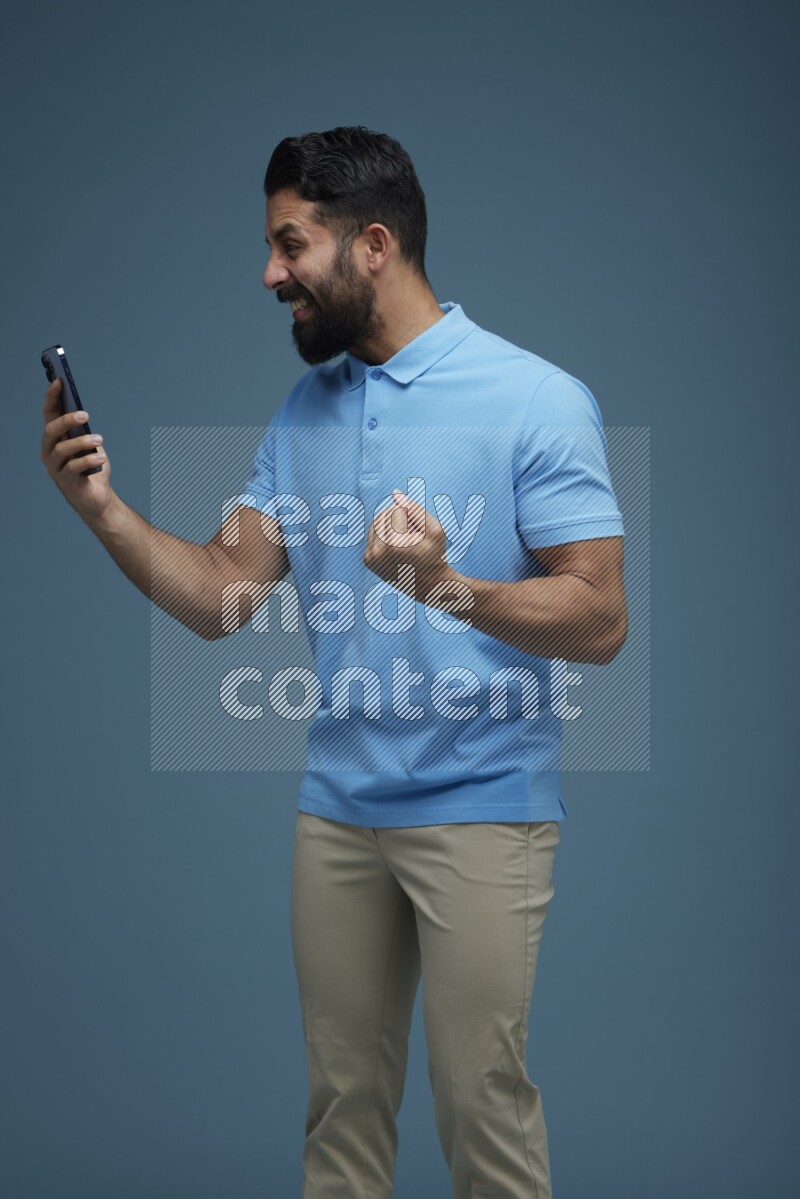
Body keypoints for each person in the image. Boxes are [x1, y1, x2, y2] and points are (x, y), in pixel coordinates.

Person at [40, 125, 627, 1199]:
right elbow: (224, 593)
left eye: (289, 244)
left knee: (479, 1109)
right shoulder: (303, 410)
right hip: (338, 814)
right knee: (341, 1117)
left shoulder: (535, 398)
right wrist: (102, 509)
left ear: (371, 245)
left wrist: (449, 585)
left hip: (483, 808)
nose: (271, 274)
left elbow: (598, 620)